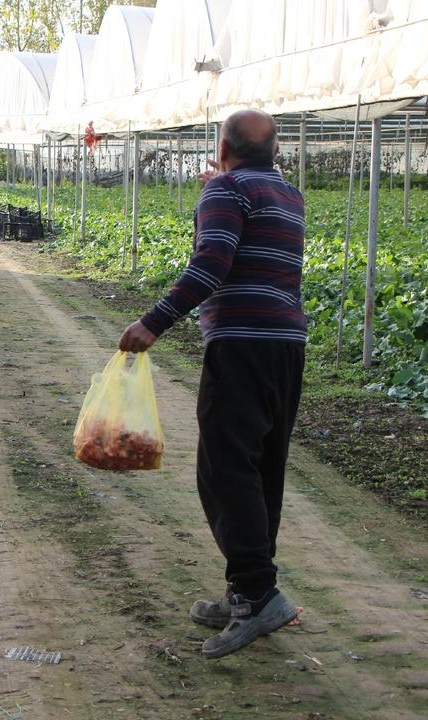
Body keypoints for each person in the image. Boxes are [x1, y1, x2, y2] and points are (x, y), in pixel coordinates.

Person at [118, 109, 306, 659]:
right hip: (285, 347)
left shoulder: (226, 189)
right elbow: (243, 239)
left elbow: (212, 264)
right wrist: (219, 191)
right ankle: (247, 588)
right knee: (260, 467)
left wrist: (153, 322)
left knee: (223, 470)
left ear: (222, 147)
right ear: (273, 151)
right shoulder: (288, 194)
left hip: (241, 345)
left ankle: (256, 594)